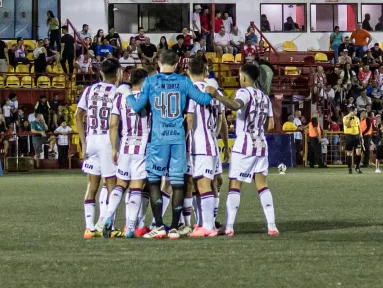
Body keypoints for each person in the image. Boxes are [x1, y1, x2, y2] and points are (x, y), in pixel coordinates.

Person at [116, 50, 216, 239]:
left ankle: (159, 226)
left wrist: (127, 94)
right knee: (178, 182)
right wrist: (211, 91)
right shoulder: (184, 81)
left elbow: (137, 108)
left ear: (158, 63)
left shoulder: (151, 82)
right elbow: (203, 100)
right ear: (178, 64)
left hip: (158, 139)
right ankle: (175, 228)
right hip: (177, 138)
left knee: (154, 181)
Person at [210, 63, 278, 237]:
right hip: (261, 144)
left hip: (245, 143)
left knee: (235, 184)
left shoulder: (243, 92)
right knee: (262, 186)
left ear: (244, 76)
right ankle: (272, 226)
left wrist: (217, 95)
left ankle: (229, 226)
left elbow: (235, 105)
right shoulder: (265, 97)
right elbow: (270, 125)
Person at [75, 59, 122, 239]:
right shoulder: (118, 92)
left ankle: (89, 228)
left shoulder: (89, 90)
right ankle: (109, 226)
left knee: (92, 185)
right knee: (112, 185)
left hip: (91, 139)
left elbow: (78, 115)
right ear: (117, 73)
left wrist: (83, 142)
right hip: (107, 140)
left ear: (101, 73)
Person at [103, 68, 150, 238]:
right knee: (136, 187)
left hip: (125, 146)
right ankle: (130, 226)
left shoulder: (120, 98)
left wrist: (114, 148)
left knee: (120, 184)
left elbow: (113, 125)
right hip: (142, 147)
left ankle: (108, 216)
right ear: (144, 81)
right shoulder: (148, 98)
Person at [186, 58, 223, 238]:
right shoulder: (214, 92)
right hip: (212, 143)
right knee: (202, 184)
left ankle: (208, 226)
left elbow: (190, 119)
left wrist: (185, 139)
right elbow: (219, 119)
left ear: (188, 71)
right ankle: (203, 223)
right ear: (205, 72)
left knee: (202, 184)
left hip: (199, 145)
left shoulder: (191, 91)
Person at [343, 106, 363, 174]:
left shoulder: (357, 118)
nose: (356, 112)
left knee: (359, 152)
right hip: (349, 136)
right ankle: (349, 168)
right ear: (352, 111)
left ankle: (357, 167)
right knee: (349, 153)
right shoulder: (345, 117)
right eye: (355, 111)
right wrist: (350, 118)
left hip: (357, 137)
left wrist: (361, 136)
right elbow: (346, 125)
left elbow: (359, 127)